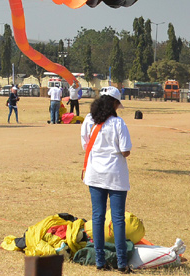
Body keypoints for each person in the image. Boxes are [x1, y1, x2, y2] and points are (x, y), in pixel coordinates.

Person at [80, 87, 133, 273]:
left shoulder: (88, 121)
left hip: (94, 174)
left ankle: (100, 262)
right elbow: (126, 151)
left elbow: (85, 145)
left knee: (97, 217)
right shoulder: (118, 123)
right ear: (113, 103)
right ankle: (121, 263)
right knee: (118, 219)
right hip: (116, 175)